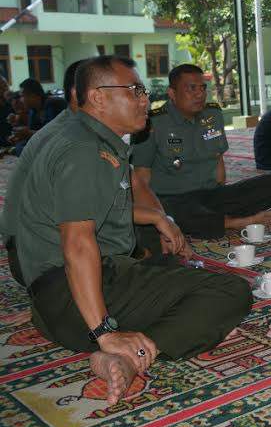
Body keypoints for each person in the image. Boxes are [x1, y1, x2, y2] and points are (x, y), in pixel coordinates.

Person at [9, 56, 252, 405]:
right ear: (98, 98)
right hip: (76, 294)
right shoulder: (84, 150)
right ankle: (123, 354)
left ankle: (93, 329)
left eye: (144, 91)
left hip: (55, 303)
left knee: (167, 267)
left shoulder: (87, 137)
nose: (144, 100)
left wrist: (157, 218)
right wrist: (105, 333)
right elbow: (78, 244)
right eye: (135, 91)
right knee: (230, 290)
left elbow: (103, 208)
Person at [2, 59, 191, 286]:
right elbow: (79, 223)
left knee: (159, 232)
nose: (143, 100)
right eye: (133, 91)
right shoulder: (75, 143)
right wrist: (156, 221)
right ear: (85, 95)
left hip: (55, 238)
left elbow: (135, 185)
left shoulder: (94, 132)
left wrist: (165, 222)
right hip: (37, 254)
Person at [132, 64, 271, 239]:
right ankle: (234, 222)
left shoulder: (213, 115)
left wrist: (225, 196)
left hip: (209, 196)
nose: (199, 94)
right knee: (175, 210)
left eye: (202, 88)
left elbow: (218, 163)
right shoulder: (152, 123)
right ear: (172, 93)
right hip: (173, 199)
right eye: (191, 89)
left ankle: (213, 218)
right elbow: (141, 179)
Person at [8, 78, 67, 155]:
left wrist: (28, 133)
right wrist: (20, 136)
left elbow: (54, 135)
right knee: (20, 147)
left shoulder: (53, 104)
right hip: (45, 148)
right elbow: (33, 137)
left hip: (63, 147)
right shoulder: (33, 110)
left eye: (22, 96)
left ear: (33, 95)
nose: (21, 100)